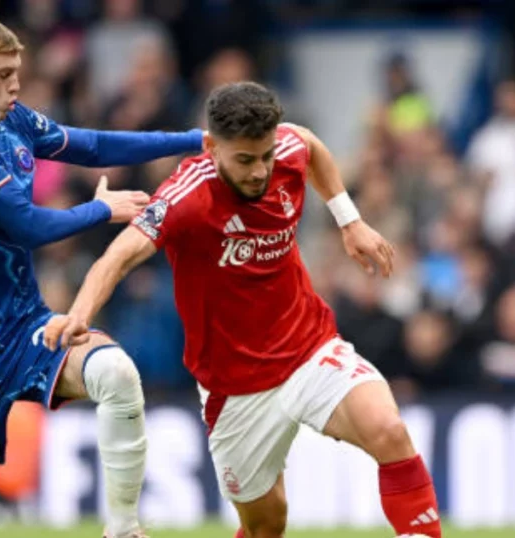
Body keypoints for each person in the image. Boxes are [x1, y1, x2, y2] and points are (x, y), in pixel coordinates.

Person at [43, 81, 443, 538]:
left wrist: (349, 221)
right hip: (234, 388)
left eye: (266, 156)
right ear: (212, 148)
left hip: (308, 348)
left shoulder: (287, 150)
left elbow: (308, 143)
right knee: (265, 524)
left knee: (388, 429)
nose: (260, 172)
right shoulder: (184, 196)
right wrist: (79, 315)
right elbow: (119, 256)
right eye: (246, 160)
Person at [0, 15, 205, 538]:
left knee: (116, 374)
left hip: (23, 328)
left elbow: (91, 145)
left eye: (18, 70)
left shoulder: (12, 120)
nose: (15, 84)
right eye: (2, 74)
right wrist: (100, 210)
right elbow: (28, 224)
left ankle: (124, 530)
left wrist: (195, 139)